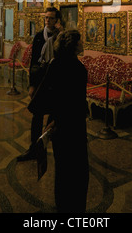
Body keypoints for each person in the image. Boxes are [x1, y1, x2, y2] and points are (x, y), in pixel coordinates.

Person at [41, 30, 89, 213]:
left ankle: (62, 206)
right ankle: (76, 210)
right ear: (73, 46)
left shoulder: (55, 65)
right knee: (78, 172)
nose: (82, 43)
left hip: (57, 126)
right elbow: (75, 104)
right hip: (73, 128)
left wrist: (53, 120)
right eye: (80, 41)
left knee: (62, 170)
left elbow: (52, 98)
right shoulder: (78, 70)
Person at [17, 7, 61, 161]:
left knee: (56, 118)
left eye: (51, 18)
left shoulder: (60, 38)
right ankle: (33, 148)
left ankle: (55, 148)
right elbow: (33, 63)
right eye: (46, 18)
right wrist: (32, 85)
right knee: (37, 116)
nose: (48, 20)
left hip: (55, 83)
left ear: (57, 20)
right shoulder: (38, 37)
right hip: (41, 82)